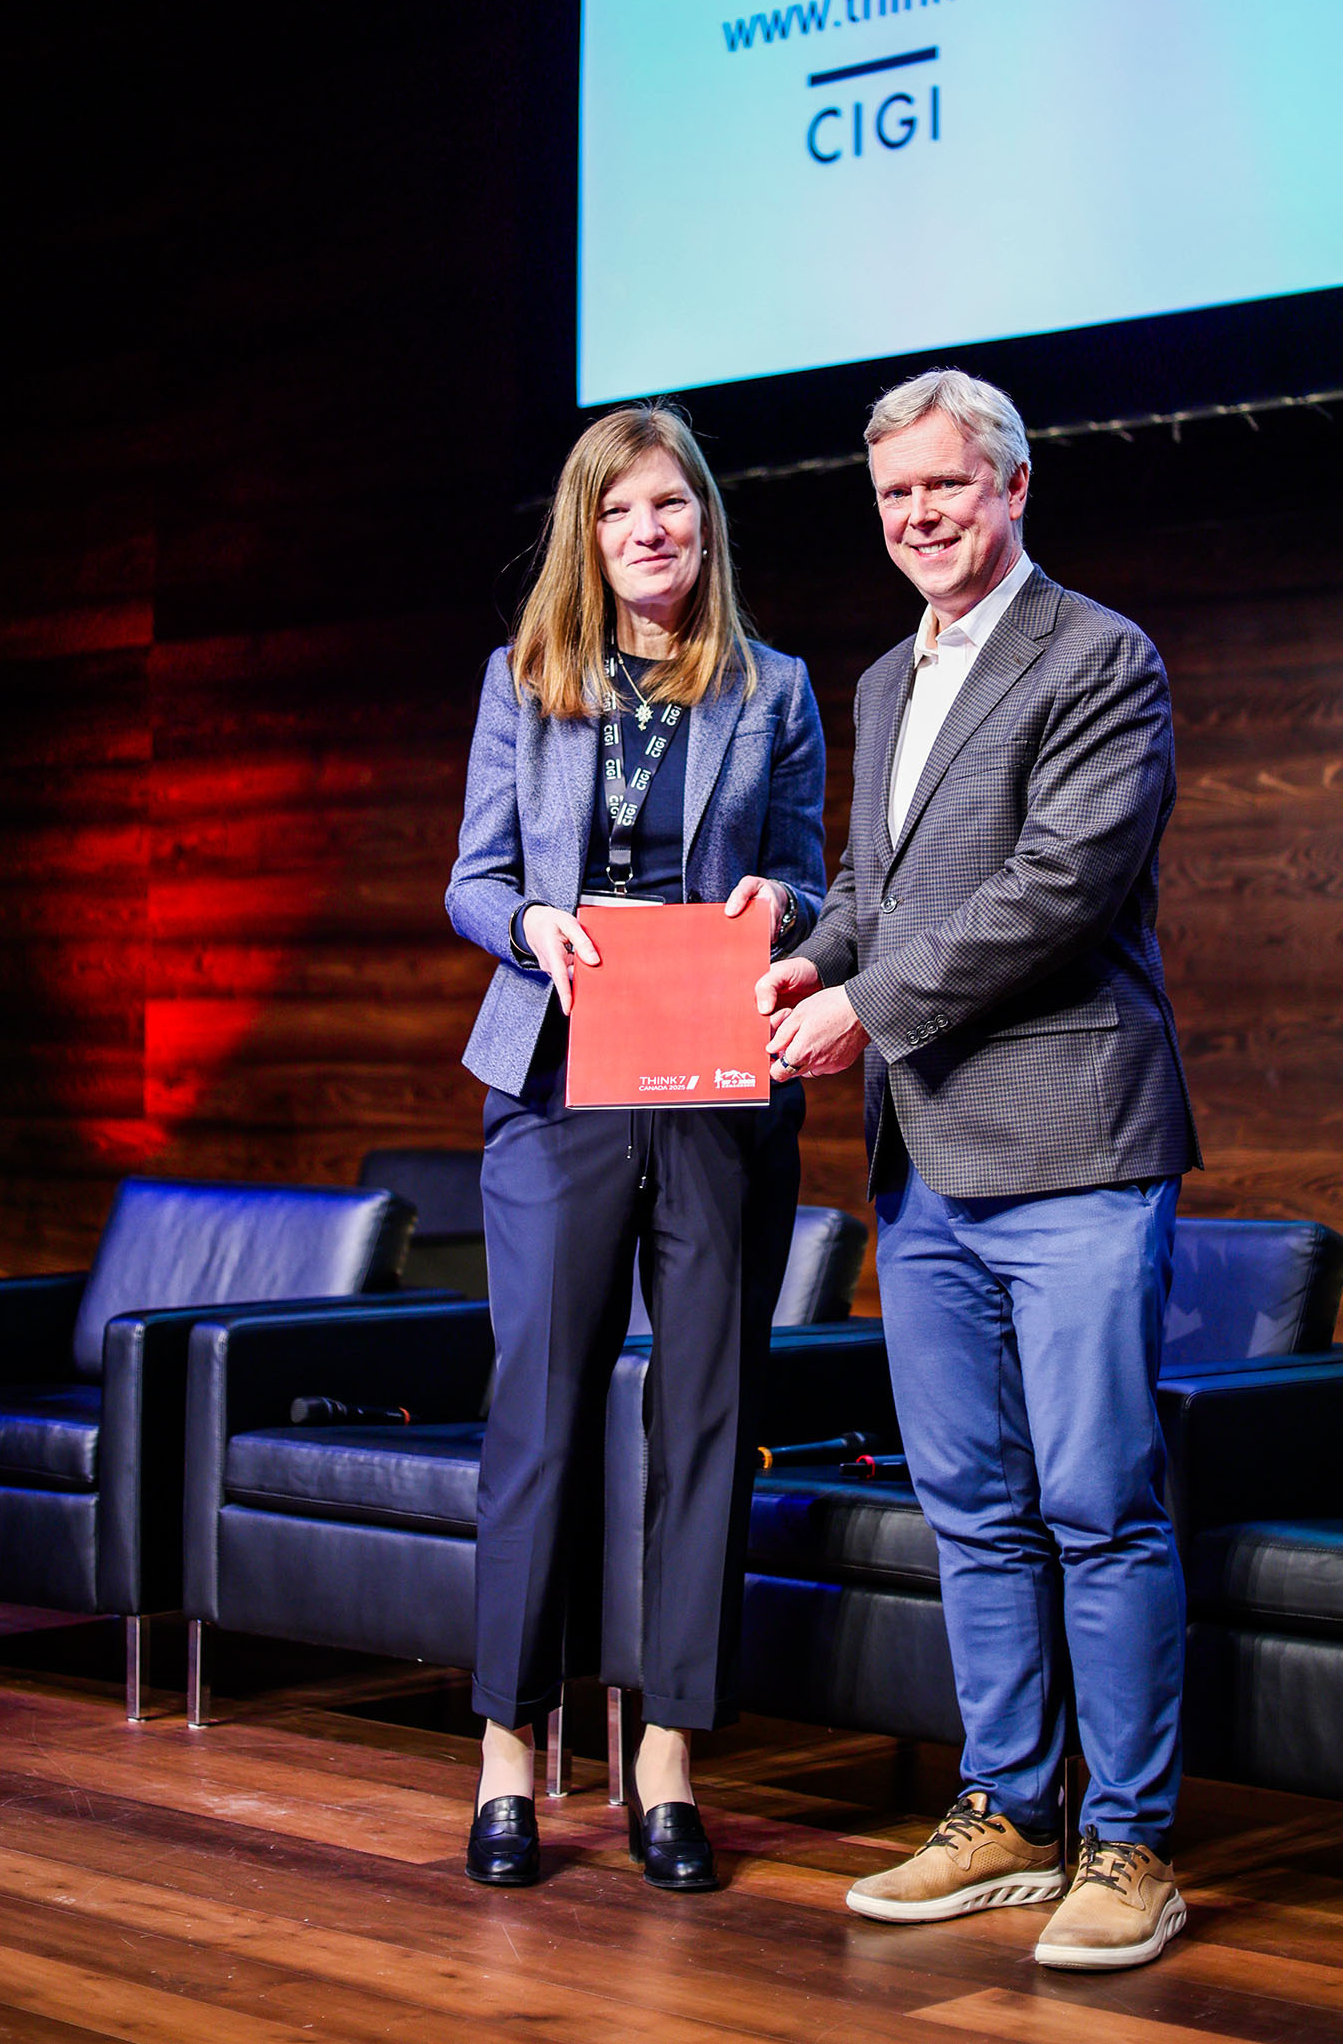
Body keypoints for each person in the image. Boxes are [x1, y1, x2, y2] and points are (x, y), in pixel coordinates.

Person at [760, 367, 1199, 1971]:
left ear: (1013, 485)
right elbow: (872, 889)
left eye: (944, 485)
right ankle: (1007, 1809)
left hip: (1073, 1145)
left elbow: (1054, 886)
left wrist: (864, 1008)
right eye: (893, 494)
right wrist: (808, 957)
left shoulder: (1099, 656)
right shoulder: (885, 678)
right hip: (925, 1161)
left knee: (1098, 1499)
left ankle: (1129, 1841)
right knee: (969, 1504)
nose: (918, 515)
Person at [446, 402, 825, 1895]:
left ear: (705, 521)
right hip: (558, 1084)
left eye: (669, 504)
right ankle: (508, 1751)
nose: (646, 530)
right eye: (616, 510)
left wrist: (778, 909)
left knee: (708, 1414)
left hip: (716, 1084)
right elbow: (475, 879)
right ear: (585, 534)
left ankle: (668, 1753)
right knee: (538, 1415)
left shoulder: (774, 687)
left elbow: (807, 875)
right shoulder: (522, 679)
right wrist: (532, 924)